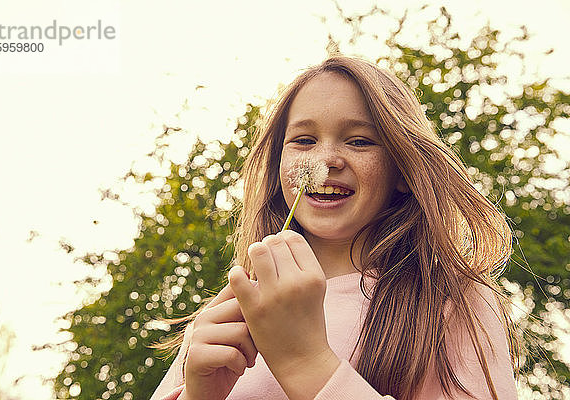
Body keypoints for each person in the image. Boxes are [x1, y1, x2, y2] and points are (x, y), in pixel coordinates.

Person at [149, 55, 519, 400]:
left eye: (359, 141)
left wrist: (307, 363)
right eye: (304, 140)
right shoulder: (234, 310)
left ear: (403, 171)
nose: (326, 160)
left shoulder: (452, 303)